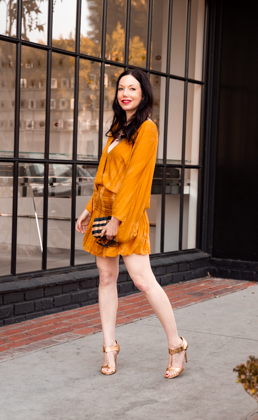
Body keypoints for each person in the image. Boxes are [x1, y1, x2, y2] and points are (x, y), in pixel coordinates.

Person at [75, 69, 188, 379]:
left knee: (142, 280)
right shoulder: (117, 129)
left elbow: (135, 179)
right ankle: (109, 348)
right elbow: (106, 176)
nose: (125, 93)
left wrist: (117, 219)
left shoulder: (147, 129)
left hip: (127, 213)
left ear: (143, 94)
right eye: (121, 88)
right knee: (106, 277)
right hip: (103, 211)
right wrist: (88, 209)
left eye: (132, 88)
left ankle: (177, 345)